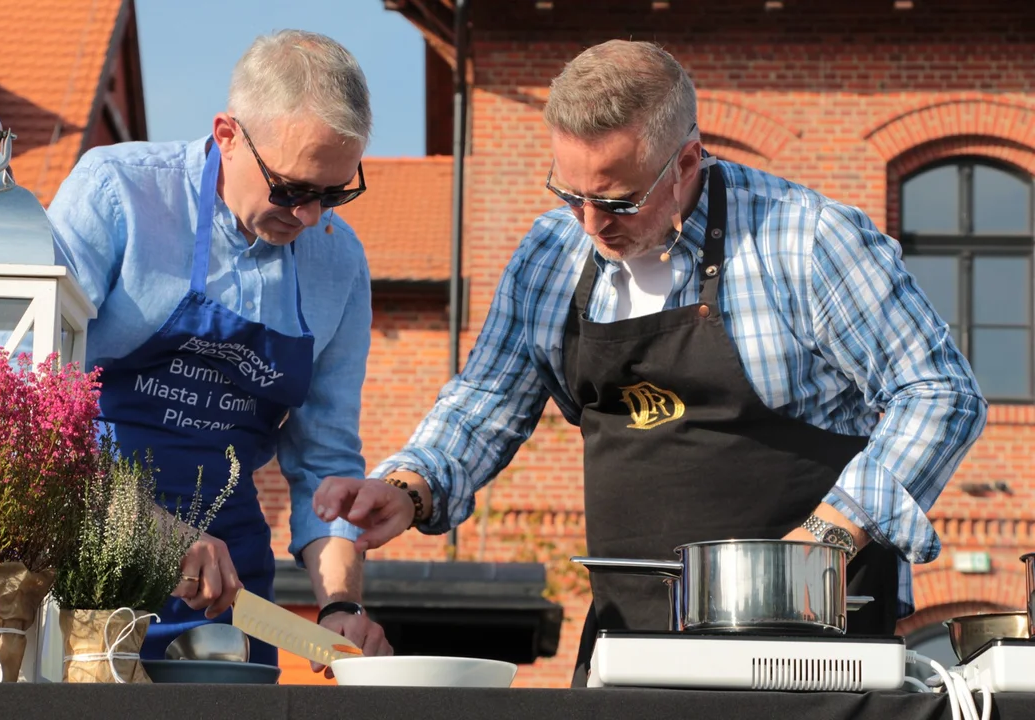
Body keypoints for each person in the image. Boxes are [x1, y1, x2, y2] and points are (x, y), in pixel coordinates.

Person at [312, 39, 989, 685]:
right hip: (629, 648)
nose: (589, 222)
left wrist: (827, 541)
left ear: (688, 161)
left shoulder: (806, 240)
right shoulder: (551, 256)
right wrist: (408, 486)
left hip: (809, 652)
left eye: (616, 199)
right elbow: (485, 401)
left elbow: (941, 393)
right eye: (568, 192)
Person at [46, 30, 391, 668]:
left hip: (227, 583)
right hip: (80, 551)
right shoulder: (118, 194)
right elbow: (21, 406)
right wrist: (149, 530)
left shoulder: (337, 262)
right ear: (228, 134)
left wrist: (340, 604)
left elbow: (325, 462)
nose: (312, 217)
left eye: (335, 194)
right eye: (291, 189)